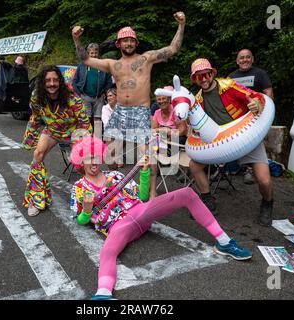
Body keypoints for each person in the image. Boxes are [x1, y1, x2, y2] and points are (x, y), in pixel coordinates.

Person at [70, 136, 252, 300]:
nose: (93, 162)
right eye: (88, 158)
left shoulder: (115, 175)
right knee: (107, 252)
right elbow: (82, 221)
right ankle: (103, 294)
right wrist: (86, 211)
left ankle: (224, 242)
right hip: (117, 227)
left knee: (186, 193)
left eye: (95, 157)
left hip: (141, 212)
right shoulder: (79, 187)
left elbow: (141, 196)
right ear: (81, 163)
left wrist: (144, 172)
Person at [72, 12, 186, 199]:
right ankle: (115, 184)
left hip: (140, 111)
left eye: (131, 40)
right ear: (118, 44)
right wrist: (76, 39)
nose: (128, 43)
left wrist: (181, 25)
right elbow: (86, 60)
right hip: (120, 111)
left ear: (136, 43)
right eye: (124, 41)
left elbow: (173, 48)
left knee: (146, 155)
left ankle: (150, 192)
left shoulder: (147, 58)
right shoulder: (112, 64)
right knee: (108, 153)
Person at [188, 58, 274, 226]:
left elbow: (256, 97)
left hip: (245, 136)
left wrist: (256, 103)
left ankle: (267, 203)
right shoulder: (197, 101)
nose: (203, 79)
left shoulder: (228, 86)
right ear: (195, 80)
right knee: (194, 165)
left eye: (205, 74)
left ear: (212, 73)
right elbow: (197, 127)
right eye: (198, 77)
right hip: (220, 144)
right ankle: (207, 200)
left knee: (264, 180)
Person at [21, 65, 92, 217]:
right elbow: (35, 117)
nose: (52, 83)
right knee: (38, 154)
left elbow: (84, 123)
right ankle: (37, 198)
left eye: (55, 80)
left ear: (60, 81)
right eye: (48, 80)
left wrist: (81, 146)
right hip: (52, 130)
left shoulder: (72, 98)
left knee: (80, 164)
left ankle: (93, 195)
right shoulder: (36, 96)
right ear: (42, 82)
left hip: (73, 131)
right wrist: (30, 137)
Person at [228, 49, 274, 184]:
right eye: (241, 58)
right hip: (236, 117)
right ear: (237, 61)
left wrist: (264, 112)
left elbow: (269, 94)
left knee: (251, 142)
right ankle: (224, 167)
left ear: (252, 59)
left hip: (256, 117)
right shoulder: (230, 77)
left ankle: (250, 169)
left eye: (248, 57)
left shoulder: (260, 74)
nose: (245, 60)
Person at [151, 86, 188, 197]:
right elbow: (153, 130)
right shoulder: (157, 113)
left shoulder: (176, 111)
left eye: (164, 98)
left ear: (169, 99)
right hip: (161, 144)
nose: (161, 101)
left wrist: (169, 133)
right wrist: (164, 130)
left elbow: (183, 130)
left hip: (177, 145)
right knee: (150, 150)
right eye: (159, 99)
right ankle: (152, 190)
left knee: (151, 152)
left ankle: (151, 180)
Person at [73, 43, 113, 136]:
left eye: (95, 52)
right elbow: (75, 80)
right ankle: (86, 139)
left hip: (99, 97)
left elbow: (109, 82)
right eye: (91, 53)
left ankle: (97, 139)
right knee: (86, 119)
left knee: (98, 119)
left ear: (98, 53)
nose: (94, 55)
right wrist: (79, 93)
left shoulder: (103, 65)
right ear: (88, 53)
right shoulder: (82, 65)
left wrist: (104, 93)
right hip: (85, 96)